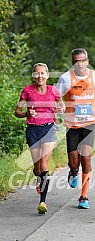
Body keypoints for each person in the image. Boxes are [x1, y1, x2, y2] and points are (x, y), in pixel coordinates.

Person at [56, 48, 95, 209]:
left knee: (86, 157)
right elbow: (56, 96)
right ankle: (73, 171)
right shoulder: (66, 78)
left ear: (87, 61)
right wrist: (59, 107)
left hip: (90, 123)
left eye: (83, 60)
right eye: (76, 61)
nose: (80, 64)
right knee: (74, 161)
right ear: (72, 63)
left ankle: (84, 196)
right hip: (72, 124)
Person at [15, 63, 65, 214]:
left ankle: (42, 202)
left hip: (49, 129)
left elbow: (62, 106)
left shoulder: (53, 90)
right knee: (37, 167)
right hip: (32, 130)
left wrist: (59, 109)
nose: (40, 76)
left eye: (43, 73)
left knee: (44, 165)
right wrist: (26, 114)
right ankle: (38, 177)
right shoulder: (27, 91)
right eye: (37, 74)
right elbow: (17, 111)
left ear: (47, 75)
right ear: (33, 76)